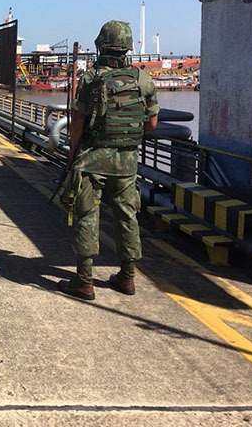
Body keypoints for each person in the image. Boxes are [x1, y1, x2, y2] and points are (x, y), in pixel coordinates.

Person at [57, 21, 159, 300]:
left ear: (101, 46)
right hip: (127, 163)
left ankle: (84, 281)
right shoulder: (143, 80)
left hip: (92, 160)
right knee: (127, 217)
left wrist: (72, 154)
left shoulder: (91, 79)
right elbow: (151, 124)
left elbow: (77, 123)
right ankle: (127, 278)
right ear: (127, 49)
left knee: (87, 215)